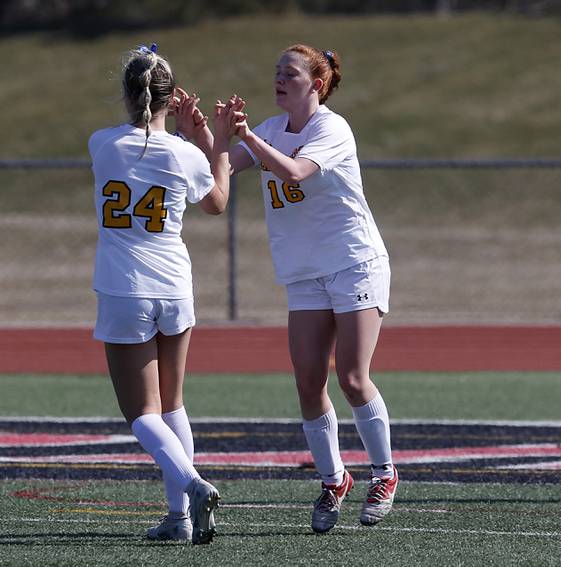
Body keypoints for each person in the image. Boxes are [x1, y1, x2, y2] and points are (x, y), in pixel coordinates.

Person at [219, 44, 397, 533]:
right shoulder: (273, 130)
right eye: (275, 71)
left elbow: (294, 171)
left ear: (316, 84)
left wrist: (247, 137)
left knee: (353, 378)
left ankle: (384, 473)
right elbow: (225, 167)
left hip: (353, 264)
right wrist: (204, 133)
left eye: (289, 73)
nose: (278, 79)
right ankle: (334, 479)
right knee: (307, 381)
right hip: (304, 272)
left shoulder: (331, 128)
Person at [89, 44, 235, 543]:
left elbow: (138, 147)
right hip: (174, 285)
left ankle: (192, 486)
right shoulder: (185, 153)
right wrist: (205, 139)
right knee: (173, 404)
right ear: (171, 100)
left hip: (125, 287)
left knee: (142, 414)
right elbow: (216, 201)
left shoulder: (102, 144)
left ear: (129, 95)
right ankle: (179, 518)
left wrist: (179, 132)